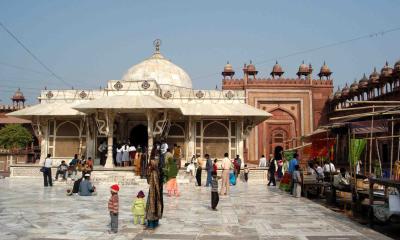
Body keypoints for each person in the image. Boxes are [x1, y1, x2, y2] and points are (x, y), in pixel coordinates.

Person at [146, 159, 163, 229]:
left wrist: (148, 173)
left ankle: (151, 225)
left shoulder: (153, 173)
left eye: (150, 165)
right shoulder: (158, 172)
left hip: (153, 193)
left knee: (152, 208)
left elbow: (149, 182)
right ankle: (155, 223)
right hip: (157, 193)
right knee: (156, 207)